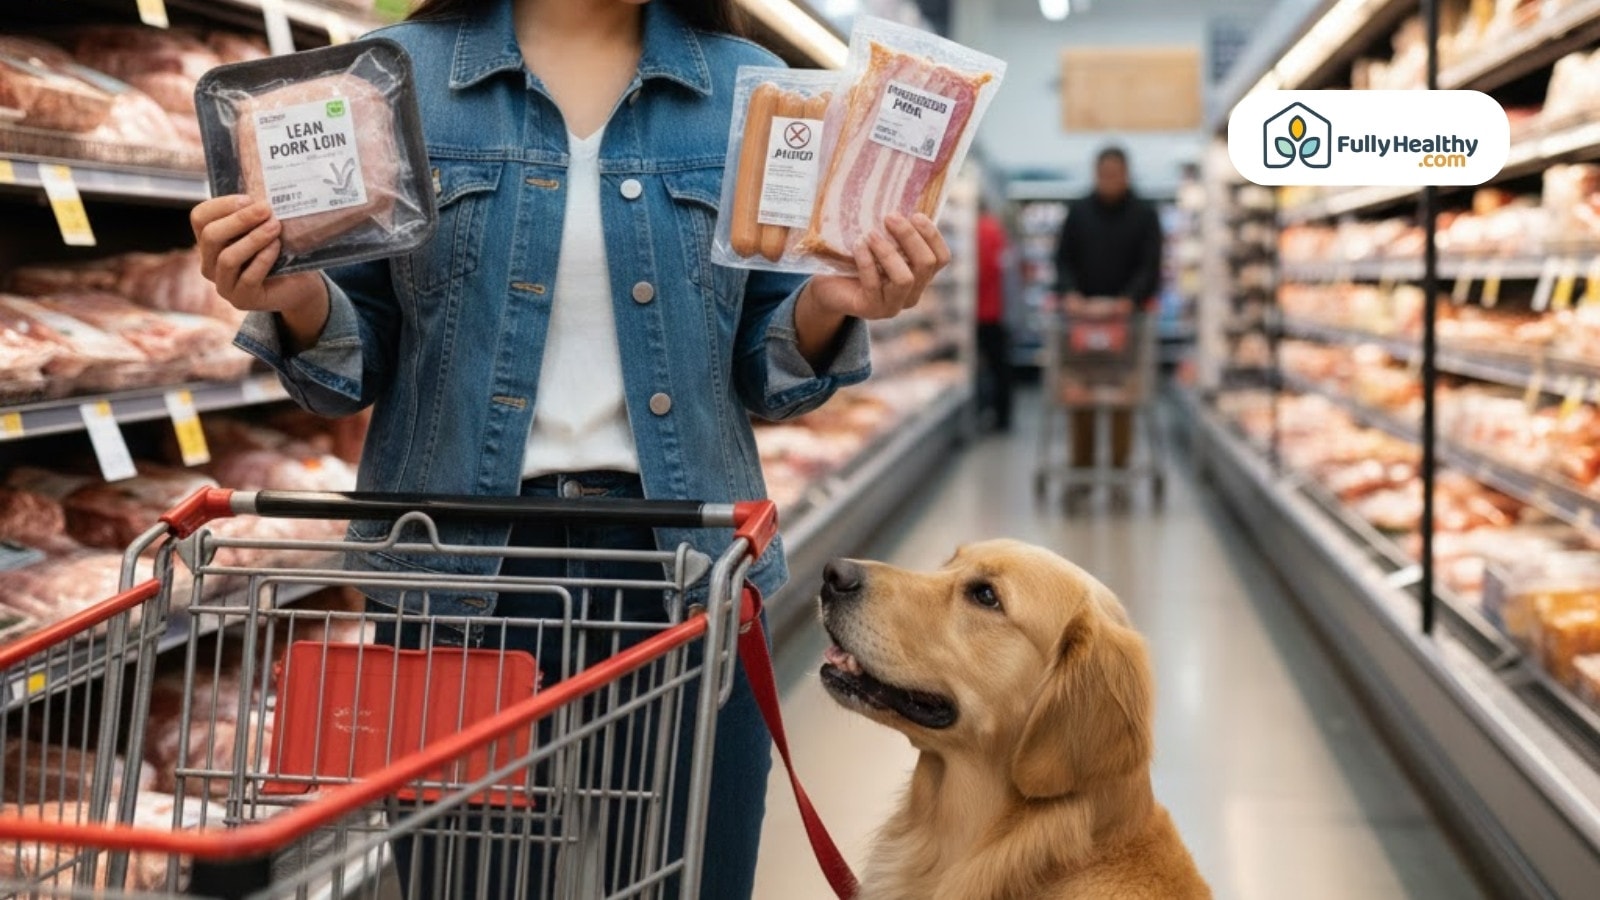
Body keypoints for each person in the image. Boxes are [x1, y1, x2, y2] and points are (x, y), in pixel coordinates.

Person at [187, 1, 951, 897]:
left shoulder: (748, 86)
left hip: (682, 573)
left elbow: (769, 372)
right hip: (457, 586)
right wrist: (294, 296)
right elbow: (351, 366)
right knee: (467, 885)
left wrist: (833, 305)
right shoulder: (393, 76)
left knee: (686, 882)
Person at [1052, 145, 1163, 476]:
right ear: (1096, 174)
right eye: (1104, 174)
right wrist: (1070, 294)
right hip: (1081, 324)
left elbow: (1151, 265)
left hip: (1127, 324)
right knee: (1081, 394)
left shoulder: (1145, 214)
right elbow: (1062, 260)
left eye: (1116, 174)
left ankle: (1119, 467)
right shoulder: (1078, 212)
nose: (1110, 180)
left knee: (1122, 396)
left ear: (1127, 174)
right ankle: (1081, 466)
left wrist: (1130, 300)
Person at [975, 198, 1013, 432]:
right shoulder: (996, 229)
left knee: (994, 366)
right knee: (1000, 365)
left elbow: (983, 271)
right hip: (997, 309)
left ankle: (998, 415)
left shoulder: (982, 230)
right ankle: (1001, 415)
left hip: (984, 311)